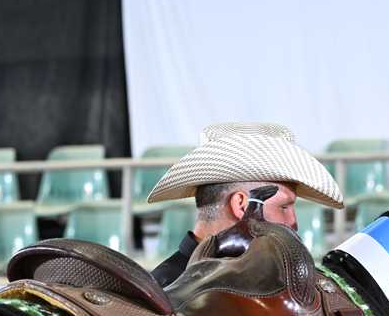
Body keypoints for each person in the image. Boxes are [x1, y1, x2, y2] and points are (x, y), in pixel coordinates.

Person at [146, 122, 344, 286]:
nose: (294, 222)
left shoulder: (168, 287)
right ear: (242, 205)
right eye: (283, 207)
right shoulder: (169, 293)